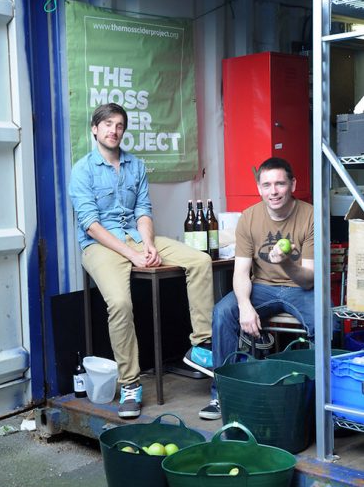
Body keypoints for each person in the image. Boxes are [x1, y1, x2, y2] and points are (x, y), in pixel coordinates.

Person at [68, 103, 214, 418]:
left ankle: (202, 345)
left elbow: (143, 210)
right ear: (95, 129)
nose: (113, 130)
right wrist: (132, 255)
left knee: (201, 261)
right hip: (100, 245)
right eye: (107, 124)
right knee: (120, 303)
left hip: (137, 237)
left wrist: (148, 245)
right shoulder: (82, 170)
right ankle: (130, 385)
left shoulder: (135, 166)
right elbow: (91, 225)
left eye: (119, 125)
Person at [194, 157, 315, 420]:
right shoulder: (249, 218)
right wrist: (245, 306)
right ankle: (222, 395)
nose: (274, 191)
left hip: (300, 288)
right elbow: (240, 272)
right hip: (262, 287)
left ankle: (317, 398)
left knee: (327, 323)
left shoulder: (310, 215)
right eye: (267, 184)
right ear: (259, 187)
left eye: (280, 184)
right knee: (223, 312)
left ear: (292, 184)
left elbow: (308, 280)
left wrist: (287, 264)